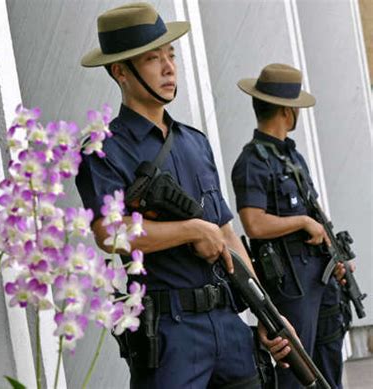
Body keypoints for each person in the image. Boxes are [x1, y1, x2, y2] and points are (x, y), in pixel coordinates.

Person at [76, 3, 291, 388]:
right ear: (121, 71)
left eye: (170, 55)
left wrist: (267, 312)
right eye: (152, 58)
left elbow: (226, 233)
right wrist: (191, 230)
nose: (169, 67)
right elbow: (110, 234)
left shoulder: (195, 142)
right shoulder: (103, 149)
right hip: (170, 332)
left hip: (228, 322)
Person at [231, 63, 350, 388]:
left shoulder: (292, 156)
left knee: (329, 363)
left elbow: (315, 211)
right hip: (291, 283)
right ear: (286, 111)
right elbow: (253, 223)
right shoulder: (252, 161)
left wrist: (335, 253)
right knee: (298, 372)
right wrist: (302, 222)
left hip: (320, 277)